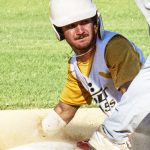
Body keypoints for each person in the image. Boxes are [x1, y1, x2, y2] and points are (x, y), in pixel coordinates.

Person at [41, 0, 149, 149]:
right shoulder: (76, 67)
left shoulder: (114, 47)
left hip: (140, 128)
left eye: (84, 22)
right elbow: (64, 110)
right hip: (130, 131)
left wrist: (109, 140)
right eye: (71, 26)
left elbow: (134, 98)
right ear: (60, 31)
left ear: (95, 23)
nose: (80, 31)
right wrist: (41, 134)